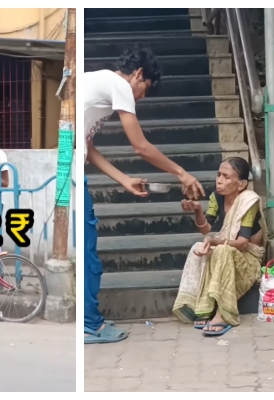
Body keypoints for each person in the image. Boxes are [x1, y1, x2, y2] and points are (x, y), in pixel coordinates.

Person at [83, 46, 206, 344]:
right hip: (69, 175)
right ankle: (90, 325)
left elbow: (85, 146)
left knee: (88, 251)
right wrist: (182, 173)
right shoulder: (119, 85)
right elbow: (140, 146)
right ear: (138, 74)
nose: (142, 96)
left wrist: (123, 179)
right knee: (88, 256)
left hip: (73, 171)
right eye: (145, 88)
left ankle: (90, 320)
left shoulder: (99, 83)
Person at [173, 157, 266, 337]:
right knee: (197, 247)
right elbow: (206, 229)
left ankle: (223, 314)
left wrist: (215, 242)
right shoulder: (217, 197)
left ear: (241, 184)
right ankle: (201, 308)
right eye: (218, 175)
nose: (219, 180)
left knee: (222, 249)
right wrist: (197, 210)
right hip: (228, 251)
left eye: (226, 176)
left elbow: (242, 243)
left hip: (248, 260)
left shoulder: (248, 201)